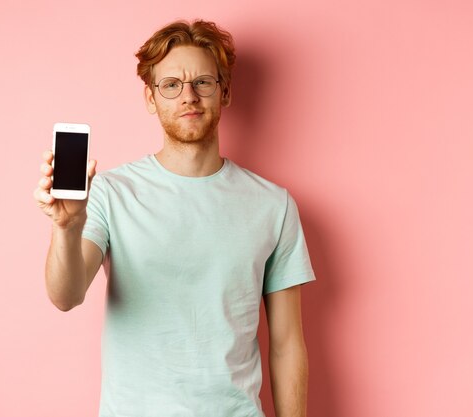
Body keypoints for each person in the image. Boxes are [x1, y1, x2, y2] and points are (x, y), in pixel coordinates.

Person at [34, 19, 316, 417]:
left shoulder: (274, 205)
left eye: (203, 82)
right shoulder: (111, 193)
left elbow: (287, 343)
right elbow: (65, 296)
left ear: (225, 93)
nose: (189, 97)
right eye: (171, 85)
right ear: (151, 98)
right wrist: (66, 227)